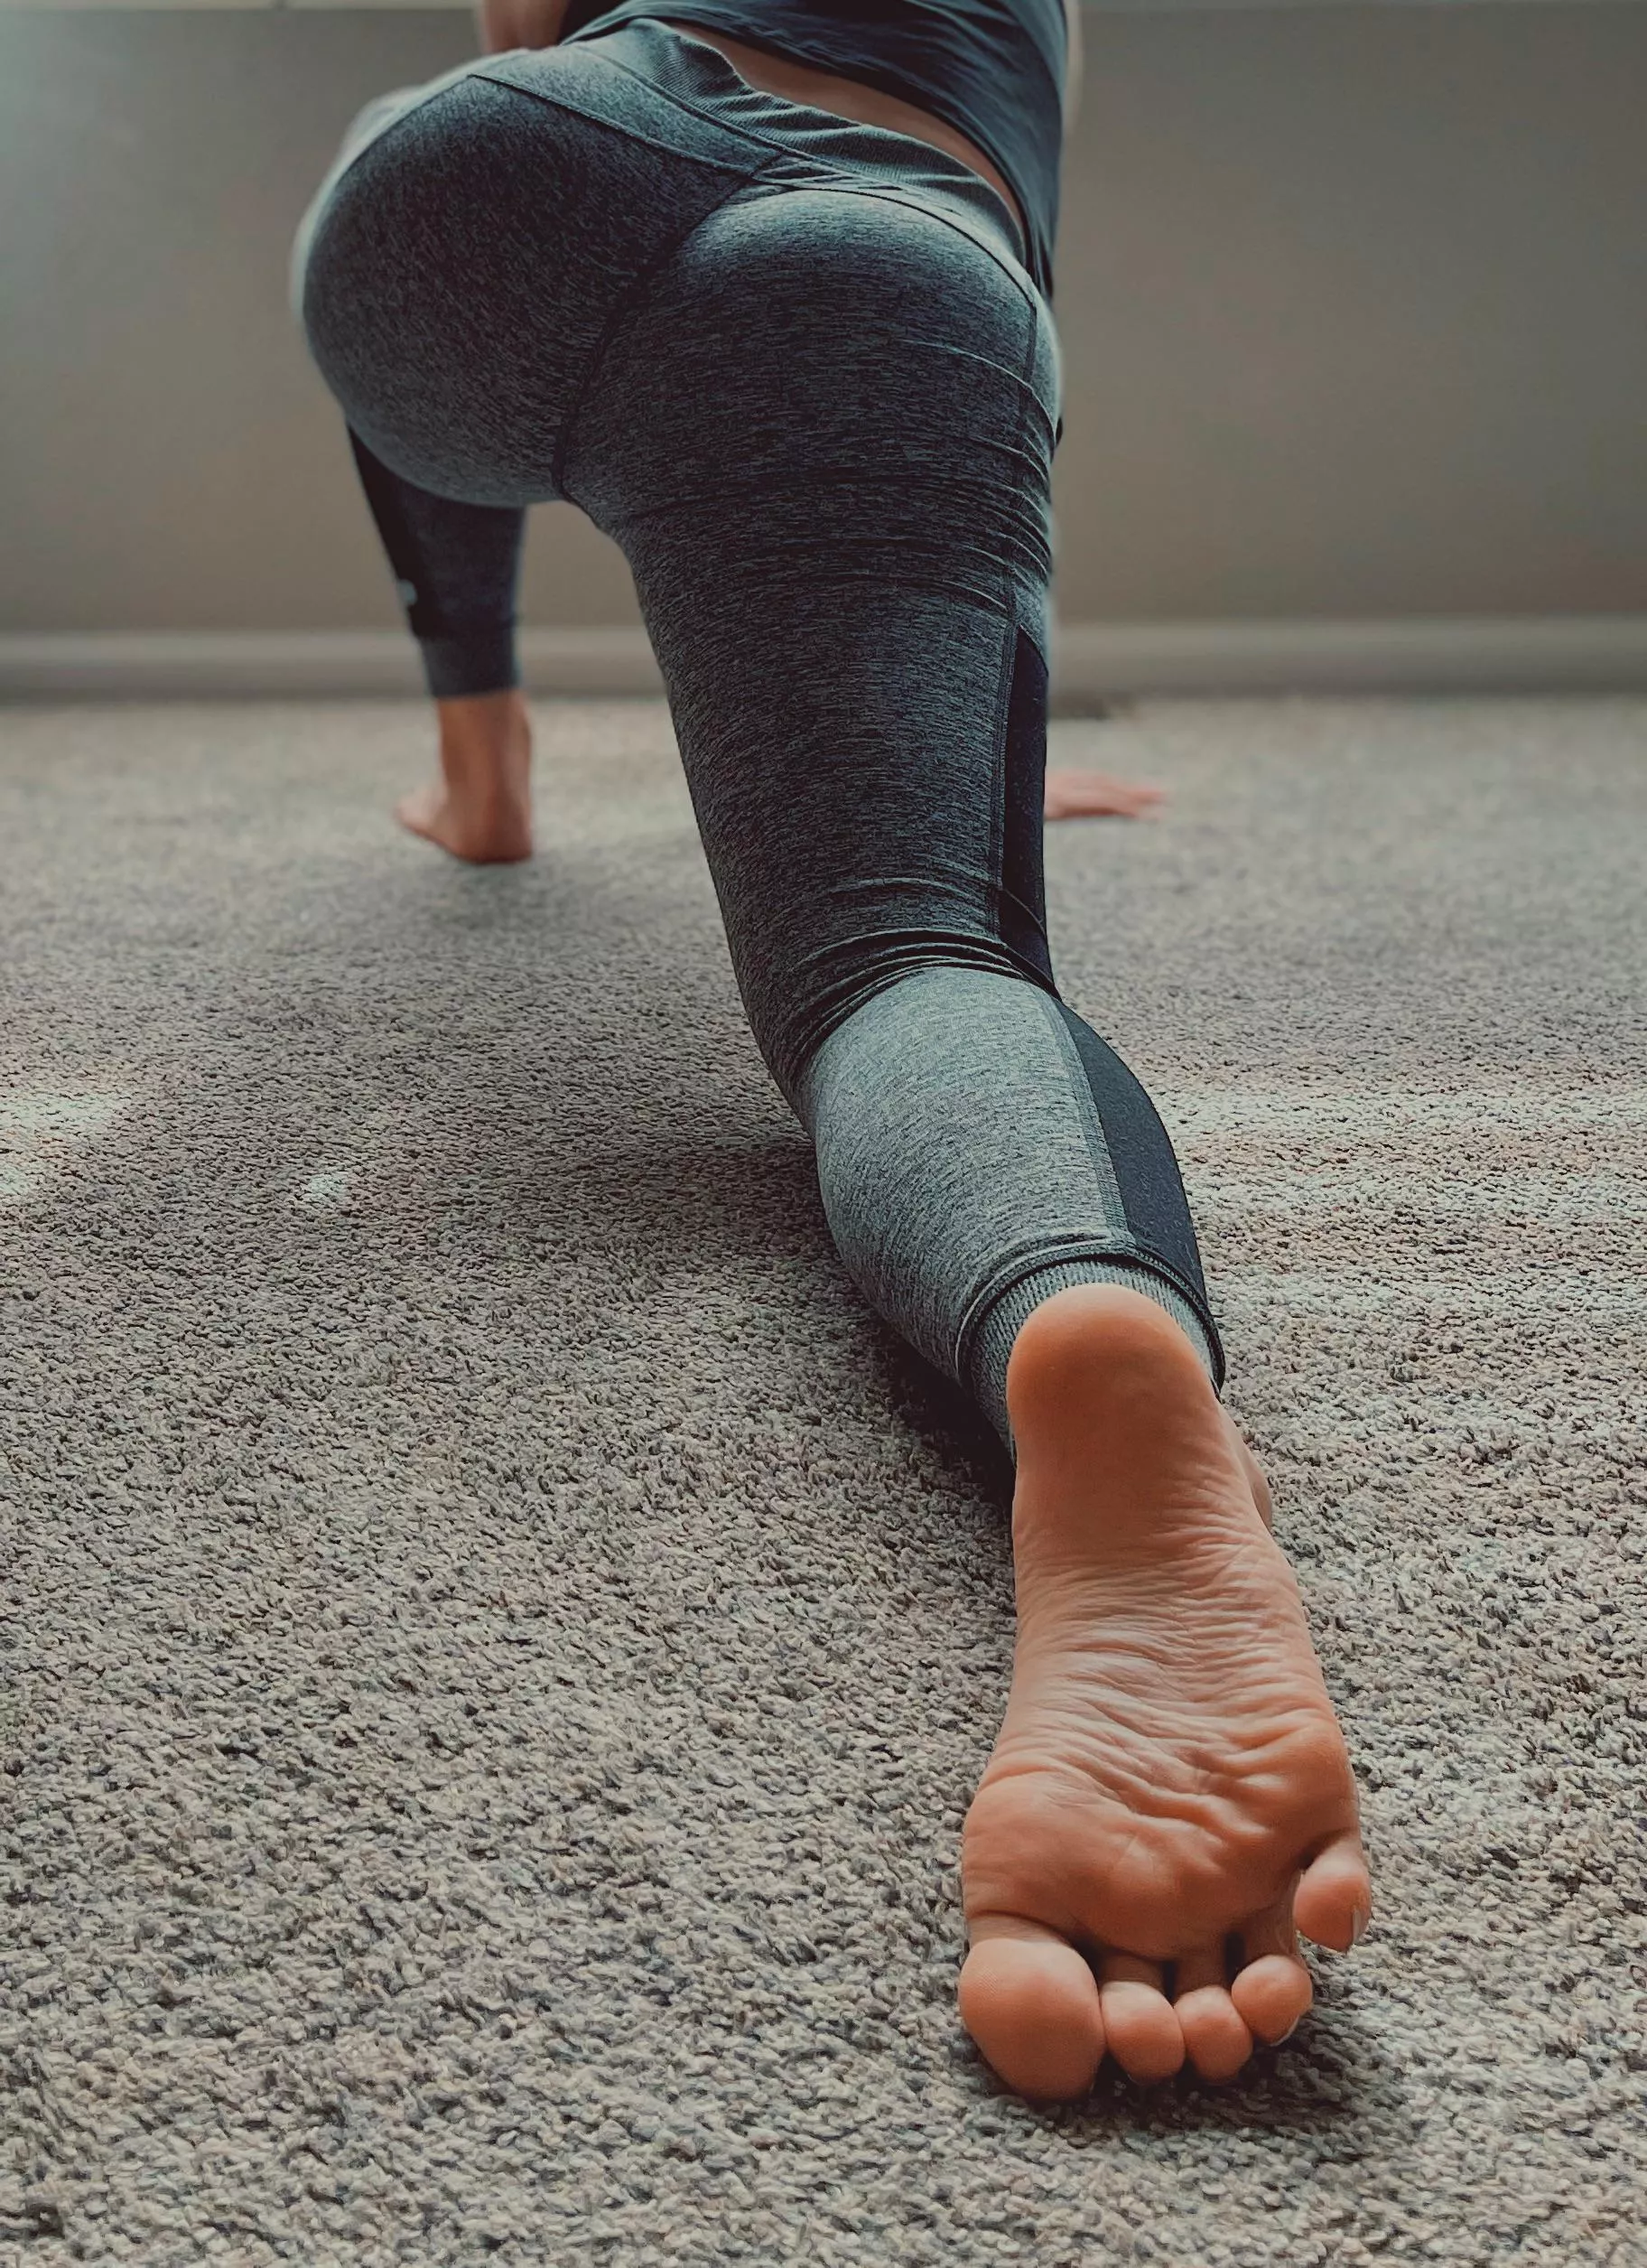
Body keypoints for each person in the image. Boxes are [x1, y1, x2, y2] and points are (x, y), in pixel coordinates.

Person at [290, 0, 1370, 2101]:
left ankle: (482, 760)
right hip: (873, 236)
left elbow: (535, 18)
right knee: (906, 959)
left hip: (481, 179)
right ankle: (1085, 1339)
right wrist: (951, 712)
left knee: (411, 135)